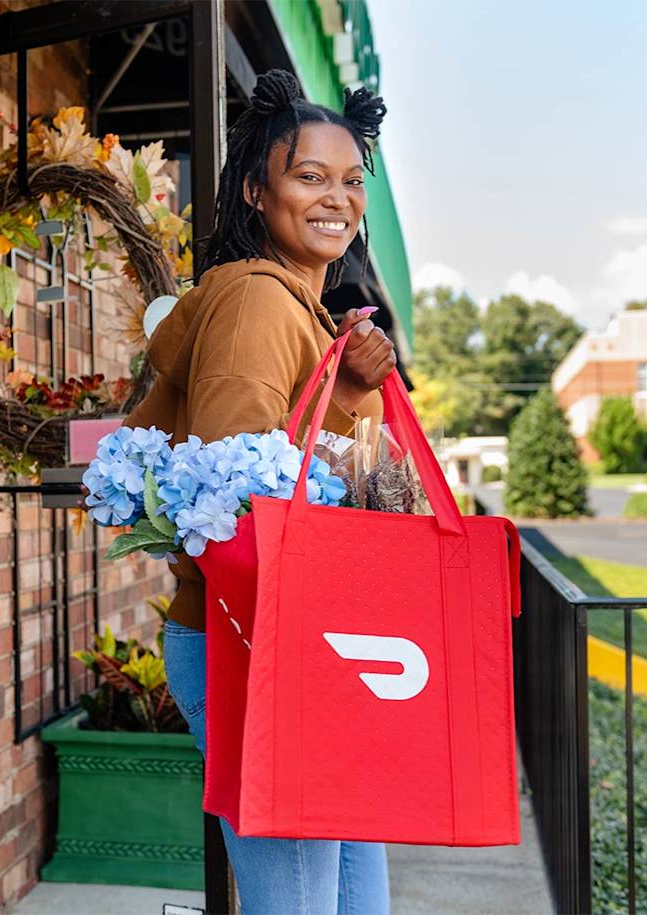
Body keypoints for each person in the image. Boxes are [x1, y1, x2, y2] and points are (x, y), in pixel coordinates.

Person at [123, 69, 397, 914]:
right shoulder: (253, 301)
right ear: (256, 187)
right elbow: (233, 494)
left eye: (352, 181)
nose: (337, 199)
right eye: (309, 175)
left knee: (350, 897)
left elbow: (322, 464)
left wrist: (354, 386)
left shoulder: (315, 316)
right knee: (303, 902)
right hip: (262, 639)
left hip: (317, 639)